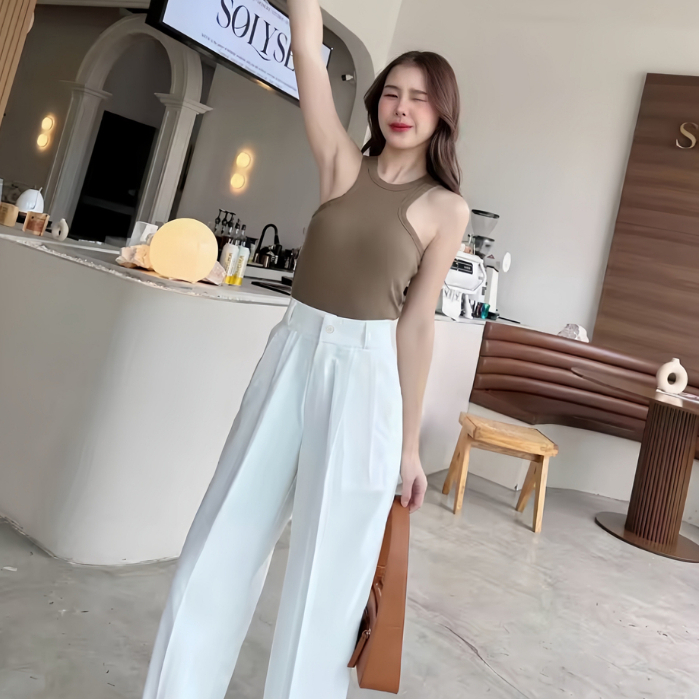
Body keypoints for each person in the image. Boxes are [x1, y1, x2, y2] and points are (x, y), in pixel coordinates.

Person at [141, 1, 469, 697]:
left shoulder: (446, 208)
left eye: (419, 97)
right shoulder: (341, 163)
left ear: (442, 113)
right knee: (221, 539)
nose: (401, 108)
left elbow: (417, 325)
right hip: (293, 350)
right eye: (391, 93)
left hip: (368, 374)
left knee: (331, 575)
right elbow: (306, 51)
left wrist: (409, 447)